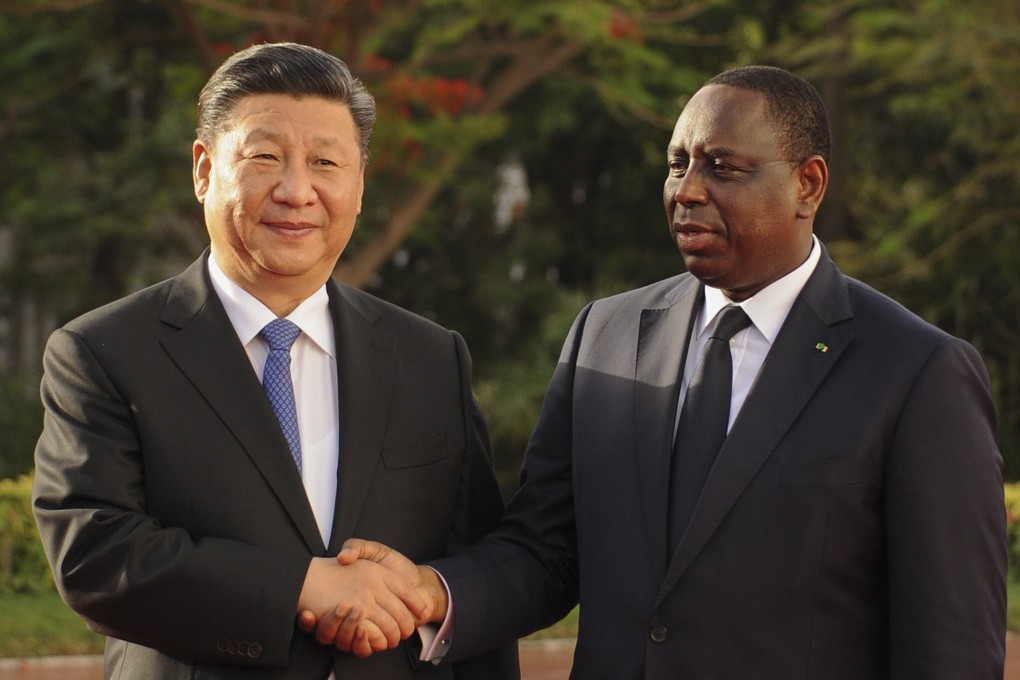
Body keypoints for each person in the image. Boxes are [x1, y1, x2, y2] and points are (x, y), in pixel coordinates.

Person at [327, 65, 1007, 678]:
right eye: (677, 163)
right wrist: (431, 590)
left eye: (722, 167)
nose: (687, 191)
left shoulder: (917, 372)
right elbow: (545, 550)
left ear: (809, 184)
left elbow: (949, 647)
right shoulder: (607, 335)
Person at [32, 42, 518, 680]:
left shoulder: (429, 357)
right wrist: (299, 586)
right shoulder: (104, 351)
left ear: (360, 183)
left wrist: (432, 591)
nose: (297, 191)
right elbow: (94, 553)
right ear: (204, 170)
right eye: (264, 157)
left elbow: (477, 564)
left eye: (325, 162)